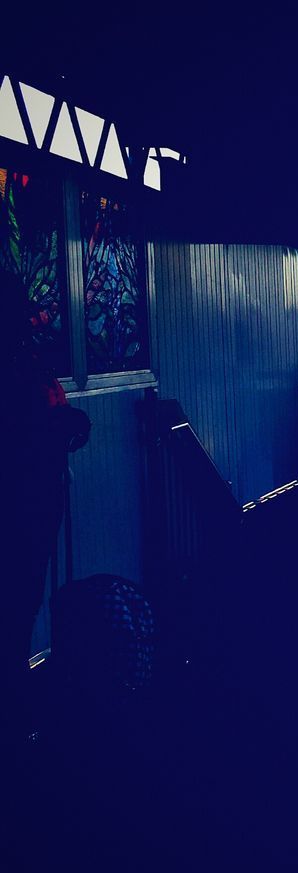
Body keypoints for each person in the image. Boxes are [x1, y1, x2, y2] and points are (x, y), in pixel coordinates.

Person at [0, 271, 90, 739]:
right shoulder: (16, 364)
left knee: (19, 607)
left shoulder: (23, 359)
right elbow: (24, 433)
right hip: (21, 508)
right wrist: (63, 425)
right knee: (15, 608)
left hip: (32, 505)